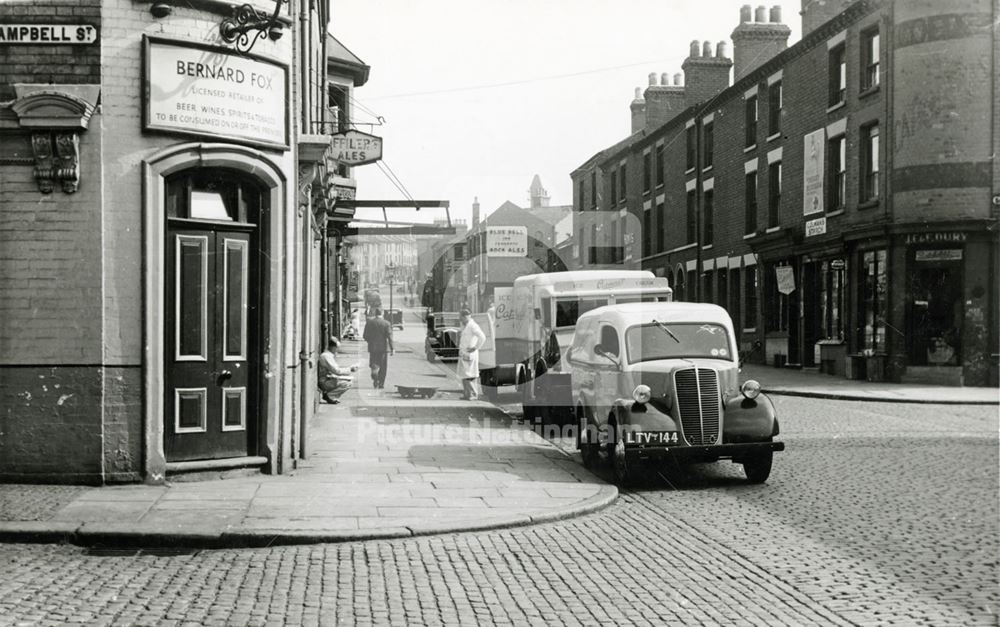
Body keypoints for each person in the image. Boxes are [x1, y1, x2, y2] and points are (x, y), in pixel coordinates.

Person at [457, 308, 486, 400]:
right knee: (464, 374)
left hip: (470, 353)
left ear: (467, 316)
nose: (460, 319)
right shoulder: (464, 325)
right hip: (464, 353)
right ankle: (467, 394)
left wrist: (475, 347)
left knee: (470, 374)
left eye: (462, 317)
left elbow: (482, 337)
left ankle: (473, 394)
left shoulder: (473, 326)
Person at [318, 338, 357, 404]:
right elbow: (337, 371)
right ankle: (330, 396)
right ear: (333, 347)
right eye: (337, 348)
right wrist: (350, 369)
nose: (337, 350)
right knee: (347, 384)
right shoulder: (326, 356)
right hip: (325, 381)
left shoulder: (328, 355)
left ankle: (331, 396)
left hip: (327, 379)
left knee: (348, 380)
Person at [363, 308, 394, 389]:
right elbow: (390, 337)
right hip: (383, 348)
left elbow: (365, 336)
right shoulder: (386, 323)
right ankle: (381, 383)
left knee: (374, 363)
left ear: (375, 313)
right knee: (383, 366)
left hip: (372, 348)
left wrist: (370, 341)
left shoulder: (369, 323)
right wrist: (392, 348)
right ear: (382, 313)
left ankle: (375, 376)